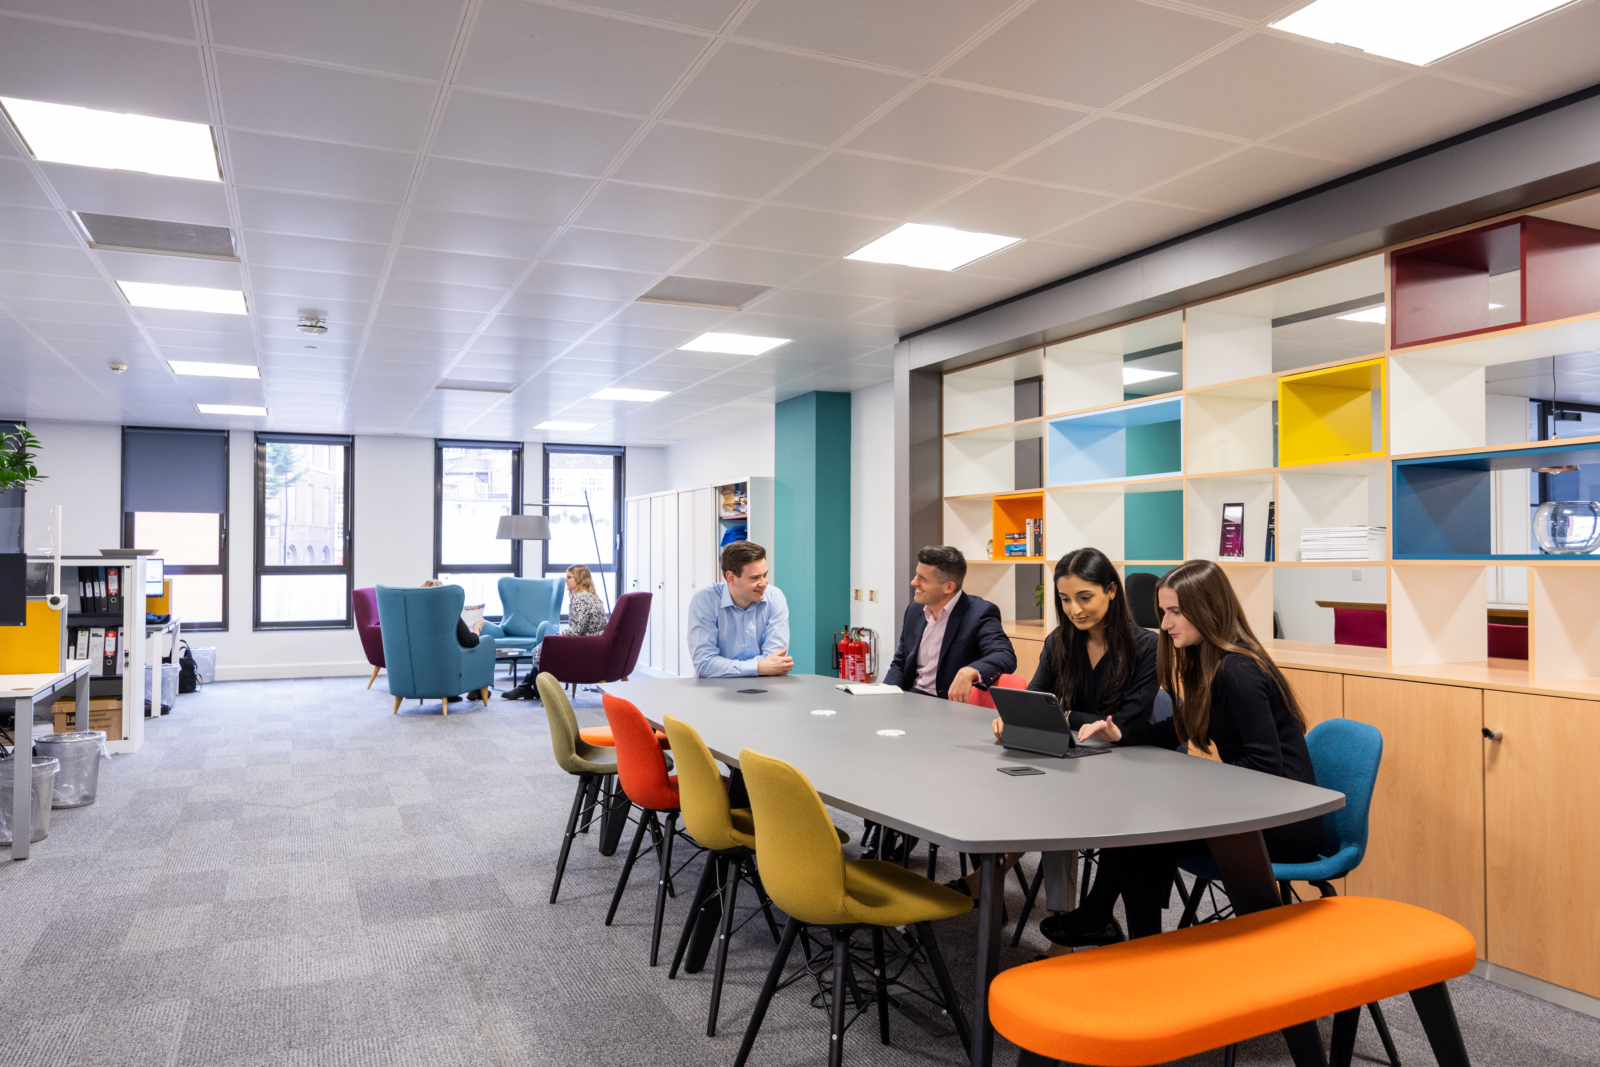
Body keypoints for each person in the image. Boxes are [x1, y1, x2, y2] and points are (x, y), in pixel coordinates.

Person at [1039, 559, 1323, 949]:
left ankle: (1140, 949)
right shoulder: (1207, 661)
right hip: (1256, 809)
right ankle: (1130, 941)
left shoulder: (1237, 670)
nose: (1166, 623)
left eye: (1175, 612)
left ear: (1208, 610)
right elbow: (1180, 727)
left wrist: (1188, 793)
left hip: (1285, 822)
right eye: (1163, 612)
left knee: (1139, 837)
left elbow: (1264, 768)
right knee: (1134, 834)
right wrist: (1122, 733)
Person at [958, 548, 1159, 917]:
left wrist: (1064, 715)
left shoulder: (1146, 646)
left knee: (1057, 808)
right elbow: (1035, 697)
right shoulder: (1060, 640)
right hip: (1076, 757)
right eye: (1065, 600)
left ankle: (1047, 917)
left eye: (1085, 598)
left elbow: (1126, 725)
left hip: (1129, 769)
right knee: (1021, 793)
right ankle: (1032, 899)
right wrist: (1014, 718)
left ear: (1112, 591)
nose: (1074, 610)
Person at [883, 545, 1014, 703]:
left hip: (948, 705)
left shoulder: (980, 613)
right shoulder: (914, 609)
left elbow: (1004, 655)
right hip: (911, 698)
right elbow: (901, 661)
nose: (913, 582)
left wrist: (969, 671)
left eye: (922, 579)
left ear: (948, 587)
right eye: (916, 575)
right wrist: (885, 697)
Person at [686, 541, 792, 678]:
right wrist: (760, 667)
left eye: (765, 575)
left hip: (765, 685)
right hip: (715, 689)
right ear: (731, 578)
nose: (764, 583)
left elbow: (776, 660)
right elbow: (704, 664)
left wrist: (720, 668)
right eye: (754, 578)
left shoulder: (775, 597)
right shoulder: (705, 600)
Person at [502, 565, 609, 700]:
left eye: (569, 577)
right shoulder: (593, 597)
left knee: (542, 648)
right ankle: (529, 687)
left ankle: (529, 687)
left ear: (580, 579)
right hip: (594, 647)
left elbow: (576, 632)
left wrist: (561, 634)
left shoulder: (579, 598)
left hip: (585, 649)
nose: (565, 580)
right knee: (543, 647)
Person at [422, 579, 483, 704]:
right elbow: (470, 641)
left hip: (424, 664)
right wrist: (477, 627)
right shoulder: (449, 614)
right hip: (449, 664)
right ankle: (477, 688)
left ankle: (451, 693)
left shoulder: (415, 615)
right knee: (480, 644)